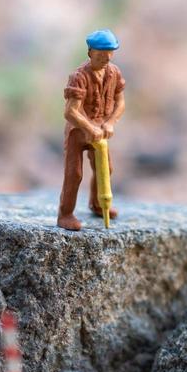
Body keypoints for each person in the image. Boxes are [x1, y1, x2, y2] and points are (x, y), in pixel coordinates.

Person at [58, 29, 125, 231]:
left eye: (109, 53)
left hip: (100, 132)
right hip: (78, 133)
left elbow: (120, 102)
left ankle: (97, 204)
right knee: (74, 173)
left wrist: (110, 122)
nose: (106, 58)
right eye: (100, 54)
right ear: (90, 52)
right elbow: (70, 112)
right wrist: (89, 127)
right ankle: (65, 214)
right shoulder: (79, 77)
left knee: (105, 169)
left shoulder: (114, 73)